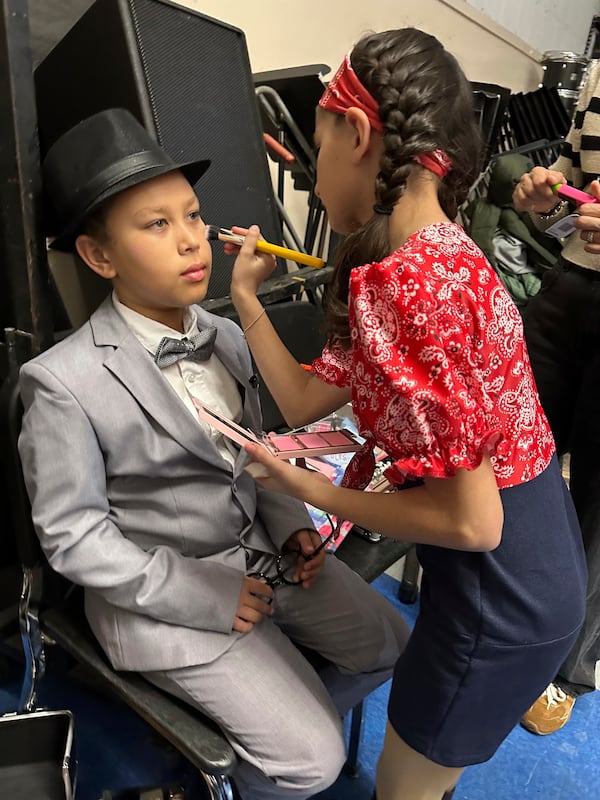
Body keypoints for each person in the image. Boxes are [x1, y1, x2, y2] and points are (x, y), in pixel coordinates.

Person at [224, 28, 588, 800]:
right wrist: (247, 297)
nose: (315, 181)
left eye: (316, 151)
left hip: (501, 593)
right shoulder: (437, 256)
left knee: (405, 785)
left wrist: (317, 493)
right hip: (531, 569)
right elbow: (302, 398)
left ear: (356, 134)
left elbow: (473, 524)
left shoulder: (408, 286)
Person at [17, 108, 411, 800]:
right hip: (170, 590)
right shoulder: (60, 383)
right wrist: (204, 594)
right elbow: (73, 538)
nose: (193, 241)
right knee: (313, 763)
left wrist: (290, 522)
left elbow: (257, 454)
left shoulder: (228, 336)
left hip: (267, 555)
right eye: (157, 225)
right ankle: (208, 780)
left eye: (193, 216)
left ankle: (262, 721)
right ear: (99, 256)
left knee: (391, 643)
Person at [512, 59, 600, 736]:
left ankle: (567, 668)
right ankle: (505, 613)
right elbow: (575, 187)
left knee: (596, 506)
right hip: (572, 285)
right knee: (515, 452)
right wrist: (549, 203)